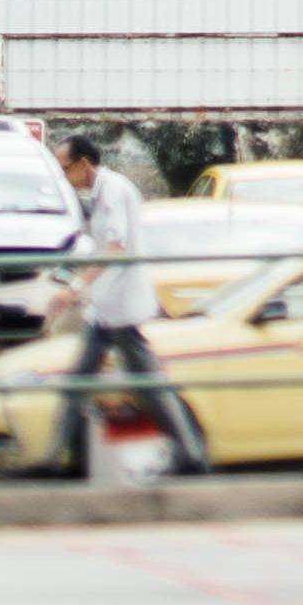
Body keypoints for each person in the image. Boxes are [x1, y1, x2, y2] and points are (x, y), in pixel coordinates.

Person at [61, 136, 200, 470]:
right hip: (108, 306)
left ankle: (192, 455)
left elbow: (114, 246)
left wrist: (77, 286)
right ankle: (53, 455)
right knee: (83, 383)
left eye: (65, 168)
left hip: (119, 306)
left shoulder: (111, 191)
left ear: (83, 164)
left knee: (149, 385)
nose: (63, 175)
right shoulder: (103, 191)